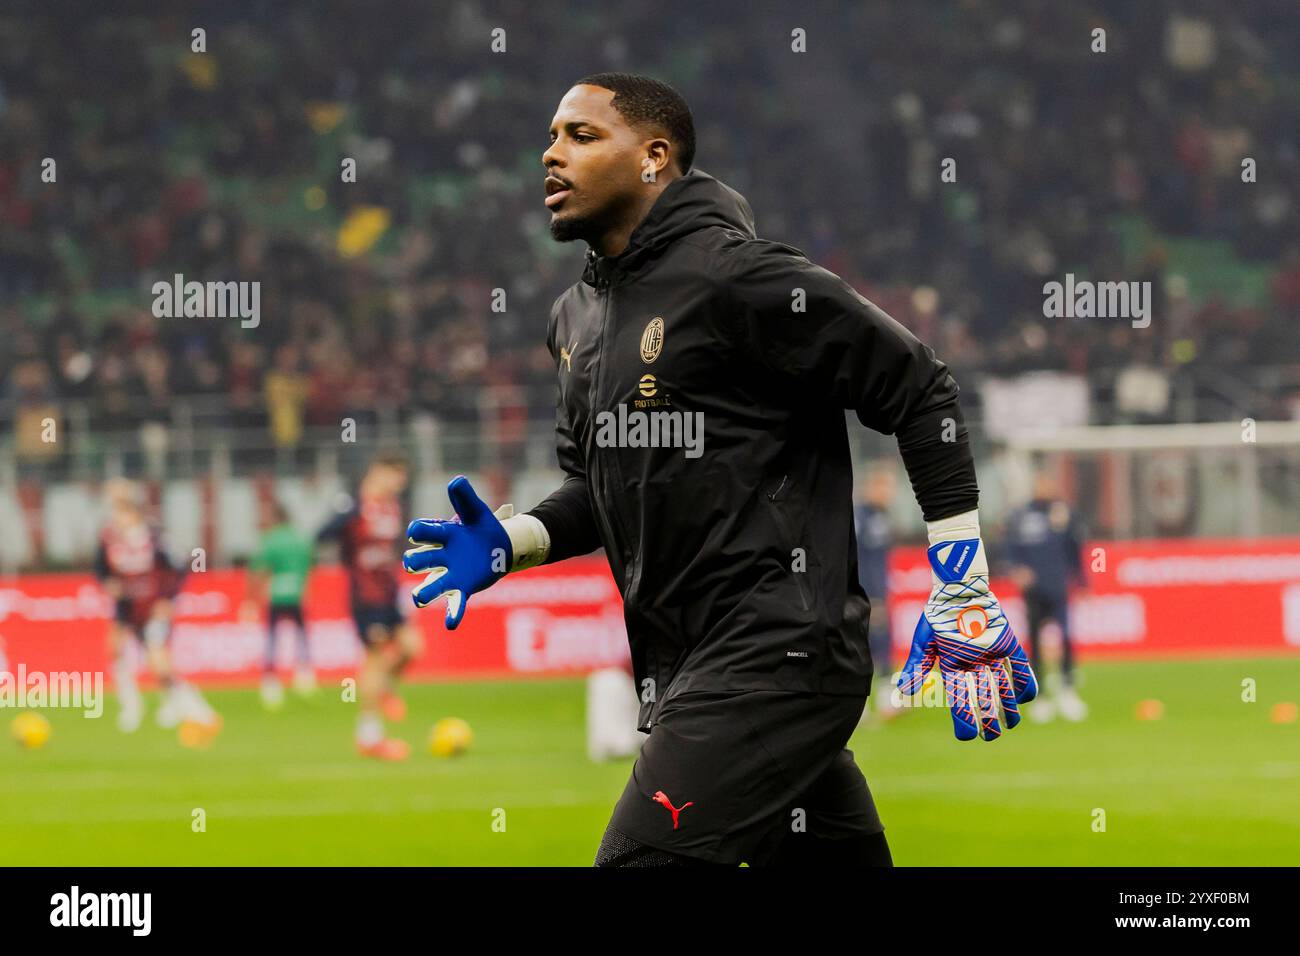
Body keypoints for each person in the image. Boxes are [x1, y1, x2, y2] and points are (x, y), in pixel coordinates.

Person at [402, 74, 1036, 866]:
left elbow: (918, 385)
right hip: (688, 668)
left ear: (653, 158)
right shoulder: (575, 321)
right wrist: (516, 541)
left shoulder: (740, 277)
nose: (551, 154)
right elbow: (597, 492)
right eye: (552, 136)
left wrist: (963, 579)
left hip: (776, 654)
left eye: (581, 135)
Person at [96, 478, 221, 740]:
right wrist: (108, 584)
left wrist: (168, 599)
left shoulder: (155, 536)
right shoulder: (108, 537)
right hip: (127, 606)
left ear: (134, 511)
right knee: (114, 649)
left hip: (153, 607)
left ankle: (190, 706)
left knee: (159, 663)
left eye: (122, 511)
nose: (118, 518)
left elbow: (179, 568)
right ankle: (131, 705)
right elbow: (100, 570)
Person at [319, 455, 421, 760]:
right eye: (395, 477)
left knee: (412, 648)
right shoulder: (353, 507)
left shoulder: (391, 508)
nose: (398, 484)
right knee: (374, 661)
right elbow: (322, 534)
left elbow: (391, 551)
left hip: (390, 594)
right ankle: (370, 737)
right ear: (377, 473)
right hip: (366, 597)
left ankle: (385, 689)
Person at [1004, 468, 1088, 722]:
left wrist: (1082, 582)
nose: (1043, 488)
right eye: (1039, 483)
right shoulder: (1020, 515)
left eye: (1047, 482)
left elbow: (1076, 548)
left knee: (1066, 638)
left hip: (1059, 588)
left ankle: (1067, 689)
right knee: (1035, 644)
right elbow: (1008, 549)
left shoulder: (1064, 512)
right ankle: (1039, 696)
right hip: (1033, 591)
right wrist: (1016, 569)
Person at [244, 500, 316, 709]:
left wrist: (251, 599)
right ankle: (304, 676)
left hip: (276, 593)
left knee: (272, 637)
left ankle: (270, 681)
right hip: (298, 592)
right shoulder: (300, 538)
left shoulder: (271, 539)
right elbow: (310, 563)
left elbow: (258, 569)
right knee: (301, 634)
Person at [853, 466, 903, 721]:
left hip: (880, 591)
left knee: (883, 645)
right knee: (862, 647)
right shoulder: (859, 518)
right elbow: (855, 559)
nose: (888, 493)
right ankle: (857, 709)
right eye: (884, 487)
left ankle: (886, 702)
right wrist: (869, 594)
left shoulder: (881, 517)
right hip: (866, 593)